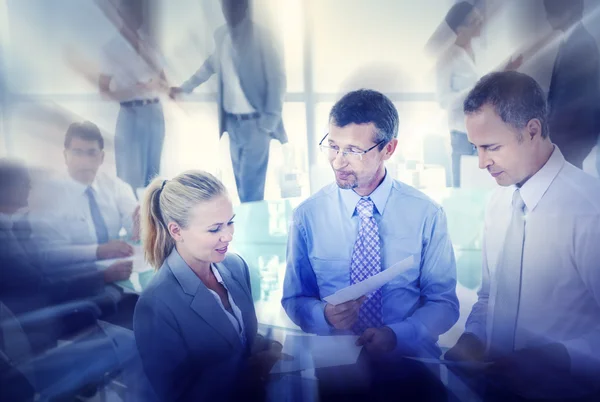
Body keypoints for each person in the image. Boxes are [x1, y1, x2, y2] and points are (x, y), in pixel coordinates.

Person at [281, 89, 459, 401]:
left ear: (388, 148)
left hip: (412, 371)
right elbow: (294, 299)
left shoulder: (427, 214)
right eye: (333, 146)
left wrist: (397, 335)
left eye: (352, 150)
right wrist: (324, 315)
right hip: (338, 377)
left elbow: (444, 304)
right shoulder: (307, 216)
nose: (338, 161)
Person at [445, 71, 600, 401]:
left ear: (532, 131)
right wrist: (472, 338)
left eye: (492, 147)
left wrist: (559, 357)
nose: (481, 163)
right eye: (476, 148)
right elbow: (490, 296)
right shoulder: (498, 202)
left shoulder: (590, 210)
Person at [134, 171, 284, 402]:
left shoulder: (235, 266)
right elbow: (176, 395)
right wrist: (250, 372)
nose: (227, 236)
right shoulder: (156, 303)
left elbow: (240, 338)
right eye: (215, 229)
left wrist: (269, 346)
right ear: (176, 231)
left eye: (230, 222)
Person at [170, 0, 287, 203]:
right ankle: (245, 230)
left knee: (252, 188)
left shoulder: (261, 37)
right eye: (225, 7)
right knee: (240, 183)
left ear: (244, 8)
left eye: (233, 6)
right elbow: (209, 67)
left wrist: (269, 120)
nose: (228, 11)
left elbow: (277, 79)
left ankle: (253, 231)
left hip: (256, 123)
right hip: (233, 123)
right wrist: (185, 88)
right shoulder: (222, 35)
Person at [436, 2, 521, 187]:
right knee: (463, 188)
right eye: (474, 20)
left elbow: (486, 86)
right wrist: (478, 89)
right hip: (462, 134)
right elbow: (444, 100)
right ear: (460, 29)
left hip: (486, 132)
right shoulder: (447, 58)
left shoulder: (480, 52)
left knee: (485, 186)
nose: (480, 22)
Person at [33, 121, 139, 266]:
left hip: (116, 267)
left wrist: (143, 227)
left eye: (92, 153)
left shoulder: (116, 186)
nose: (85, 161)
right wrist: (98, 251)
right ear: (65, 156)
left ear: (101, 157)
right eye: (77, 153)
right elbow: (47, 253)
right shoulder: (50, 195)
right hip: (72, 275)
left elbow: (136, 226)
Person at [100, 0, 166, 190]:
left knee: (153, 174)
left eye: (139, 13)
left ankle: (149, 216)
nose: (136, 17)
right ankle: (131, 217)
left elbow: (164, 82)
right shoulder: (111, 48)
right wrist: (132, 90)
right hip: (130, 113)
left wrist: (154, 84)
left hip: (154, 111)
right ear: (122, 13)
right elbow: (104, 92)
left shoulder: (150, 46)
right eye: (131, 12)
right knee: (129, 176)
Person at [544, 0, 600, 169]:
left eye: (550, 11)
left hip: (572, 136)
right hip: (569, 135)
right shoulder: (571, 40)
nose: (547, 17)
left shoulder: (580, 45)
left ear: (567, 13)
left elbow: (570, 99)